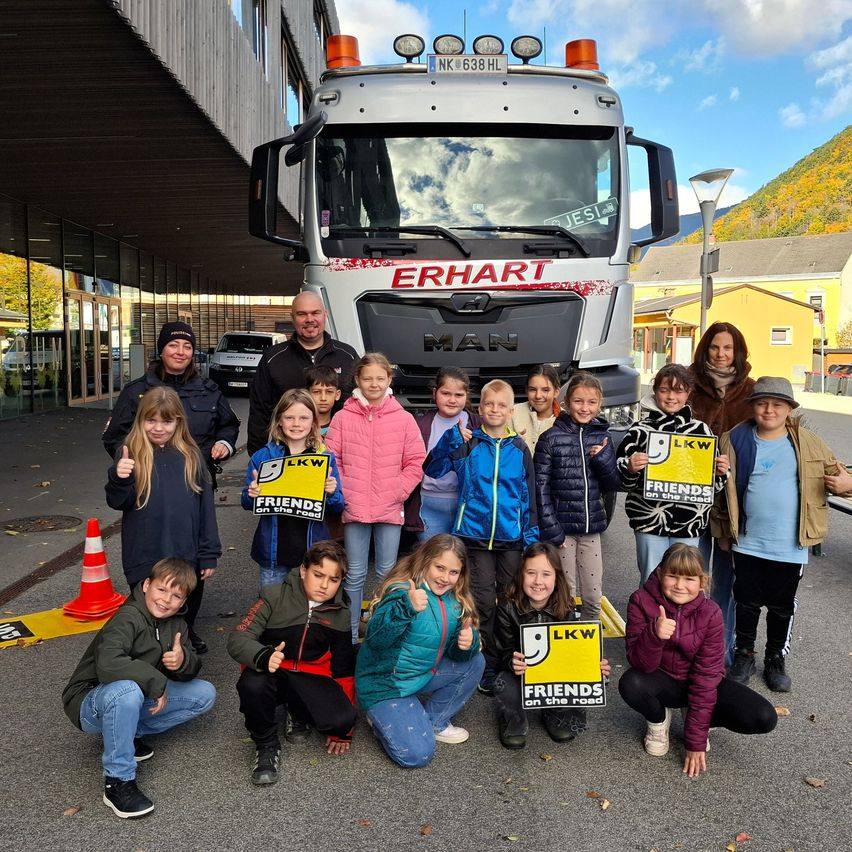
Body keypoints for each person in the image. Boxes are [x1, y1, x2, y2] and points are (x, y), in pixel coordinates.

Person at [712, 376, 852, 692]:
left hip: (789, 544)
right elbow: (722, 494)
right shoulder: (733, 440)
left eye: (777, 404)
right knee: (745, 602)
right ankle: (744, 653)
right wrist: (722, 531)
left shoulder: (808, 443)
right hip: (747, 541)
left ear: (789, 409)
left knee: (781, 606)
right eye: (762, 403)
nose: (769, 410)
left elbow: (840, 475)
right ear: (752, 407)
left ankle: (776, 657)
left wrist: (847, 485)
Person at [62, 558, 216, 819]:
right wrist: (156, 683)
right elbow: (108, 664)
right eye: (161, 589)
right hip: (90, 699)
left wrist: (182, 661)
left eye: (176, 595)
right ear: (146, 585)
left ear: (184, 601)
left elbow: (191, 667)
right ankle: (117, 781)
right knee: (127, 690)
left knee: (204, 694)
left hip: (133, 694)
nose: (167, 600)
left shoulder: (177, 624)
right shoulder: (128, 616)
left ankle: (125, 731)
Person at [618, 544, 777, 778]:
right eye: (672, 576)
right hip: (659, 680)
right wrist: (654, 634)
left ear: (702, 582)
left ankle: (694, 715)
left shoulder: (711, 612)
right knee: (630, 683)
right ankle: (658, 721)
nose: (680, 585)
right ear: (661, 574)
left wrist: (695, 741)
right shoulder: (640, 600)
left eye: (689, 578)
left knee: (763, 716)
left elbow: (706, 678)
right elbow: (641, 664)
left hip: (698, 682)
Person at [425, 378, 539, 694]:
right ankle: (485, 666)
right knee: (483, 602)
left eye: (502, 405)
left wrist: (530, 538)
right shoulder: (467, 443)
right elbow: (432, 469)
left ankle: (511, 662)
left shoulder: (519, 448)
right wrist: (449, 441)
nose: (495, 409)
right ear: (480, 407)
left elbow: (529, 495)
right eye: (489, 404)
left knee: (511, 601)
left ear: (510, 409)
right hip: (473, 538)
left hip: (512, 539)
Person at [227, 541, 356, 786]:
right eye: (318, 575)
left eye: (333, 579)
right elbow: (239, 637)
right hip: (272, 671)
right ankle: (265, 743)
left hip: (311, 676)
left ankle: (295, 710)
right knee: (252, 685)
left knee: (342, 720)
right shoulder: (273, 596)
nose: (324, 585)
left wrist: (344, 731)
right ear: (304, 570)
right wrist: (263, 656)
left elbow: (343, 666)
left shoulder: (341, 610)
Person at [105, 386, 221, 654]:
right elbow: (117, 502)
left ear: (178, 422)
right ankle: (146, 647)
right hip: (145, 551)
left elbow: (205, 509)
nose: (158, 427)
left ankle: (184, 635)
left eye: (166, 421)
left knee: (183, 601)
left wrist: (208, 553)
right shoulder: (130, 452)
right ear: (141, 420)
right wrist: (119, 477)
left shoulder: (191, 457)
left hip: (185, 552)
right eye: (151, 420)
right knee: (148, 607)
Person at [355, 534, 485, 768]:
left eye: (453, 572)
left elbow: (458, 655)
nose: (445, 578)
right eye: (439, 568)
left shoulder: (454, 599)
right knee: (416, 755)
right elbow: (376, 639)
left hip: (421, 673)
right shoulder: (404, 591)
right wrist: (407, 607)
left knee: (475, 661)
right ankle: (383, 718)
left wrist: (467, 643)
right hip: (386, 684)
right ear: (425, 561)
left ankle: (436, 722)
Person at [325, 352, 426, 640]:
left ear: (389, 380)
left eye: (380, 378)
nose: (374, 383)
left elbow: (416, 460)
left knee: (386, 573)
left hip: (390, 506)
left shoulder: (404, 419)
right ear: (357, 379)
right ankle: (351, 635)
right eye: (367, 378)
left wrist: (398, 490)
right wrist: (346, 492)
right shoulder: (343, 417)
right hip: (355, 506)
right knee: (354, 574)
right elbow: (333, 459)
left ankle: (381, 634)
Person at [616, 364, 729, 584]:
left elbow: (713, 486)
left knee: (685, 582)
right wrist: (630, 468)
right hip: (649, 521)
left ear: (688, 393)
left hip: (690, 523)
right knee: (652, 581)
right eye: (664, 390)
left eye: (678, 391)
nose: (670, 397)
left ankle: (681, 621)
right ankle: (649, 619)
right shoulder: (640, 430)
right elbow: (622, 480)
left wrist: (720, 473)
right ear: (655, 391)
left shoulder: (701, 431)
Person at [493, 542, 611, 749]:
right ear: (521, 575)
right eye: (531, 573)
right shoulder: (506, 608)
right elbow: (502, 651)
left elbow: (575, 655)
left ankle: (556, 713)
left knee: (576, 678)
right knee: (503, 684)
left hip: (553, 675)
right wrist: (512, 662)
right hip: (522, 673)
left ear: (557, 579)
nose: (538, 581)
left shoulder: (566, 608)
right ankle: (514, 721)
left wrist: (594, 666)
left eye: (546, 574)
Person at [688, 322, 755, 667]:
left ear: (738, 352)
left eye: (728, 348)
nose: (721, 354)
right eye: (715, 347)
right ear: (705, 349)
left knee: (726, 580)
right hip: (692, 497)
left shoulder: (752, 391)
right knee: (693, 575)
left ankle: (722, 653)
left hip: (733, 499)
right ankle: (690, 647)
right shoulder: (689, 385)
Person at [103, 321, 240, 489]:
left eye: (187, 347)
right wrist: (129, 461)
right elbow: (114, 437)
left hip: (196, 482)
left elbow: (229, 425)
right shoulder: (136, 391)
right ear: (162, 350)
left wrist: (224, 443)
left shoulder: (209, 391)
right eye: (173, 345)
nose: (180, 352)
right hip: (148, 484)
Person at [534, 372, 620, 621]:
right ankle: (564, 650)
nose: (585, 408)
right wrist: (552, 530)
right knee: (565, 593)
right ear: (567, 402)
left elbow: (613, 483)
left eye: (591, 402)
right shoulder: (550, 438)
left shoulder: (602, 437)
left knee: (593, 596)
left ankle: (592, 653)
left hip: (591, 528)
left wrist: (602, 458)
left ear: (600, 403)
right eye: (579, 401)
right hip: (563, 532)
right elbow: (540, 488)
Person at [242, 389, 344, 590]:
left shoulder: (326, 460)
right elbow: (247, 502)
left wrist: (331, 493)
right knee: (272, 610)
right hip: (273, 554)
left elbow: (338, 505)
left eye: (303, 418)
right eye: (289, 417)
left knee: (309, 610)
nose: (296, 424)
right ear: (279, 420)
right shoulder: (263, 458)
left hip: (311, 554)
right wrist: (251, 494)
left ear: (313, 422)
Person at [247, 291, 357, 455]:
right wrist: (258, 456)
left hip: (340, 456)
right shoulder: (273, 358)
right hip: (286, 456)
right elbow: (259, 411)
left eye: (315, 313)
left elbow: (360, 406)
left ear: (325, 315)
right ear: (293, 317)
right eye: (302, 314)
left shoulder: (347, 356)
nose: (309, 319)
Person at [404, 366, 482, 542]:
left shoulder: (478, 425)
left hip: (466, 507)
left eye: (459, 395)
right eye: (446, 393)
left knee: (461, 562)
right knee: (433, 562)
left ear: (467, 396)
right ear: (434, 393)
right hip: (428, 506)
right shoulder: (420, 424)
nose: (452, 400)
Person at [509, 364, 561, 454]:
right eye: (533, 389)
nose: (538, 396)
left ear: (556, 392)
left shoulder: (565, 420)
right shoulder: (513, 413)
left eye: (545, 390)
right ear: (526, 390)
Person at [304, 364, 342, 436]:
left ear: (337, 395)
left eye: (329, 392)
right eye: (317, 392)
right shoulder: (299, 427)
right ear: (307, 394)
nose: (323, 398)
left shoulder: (343, 426)